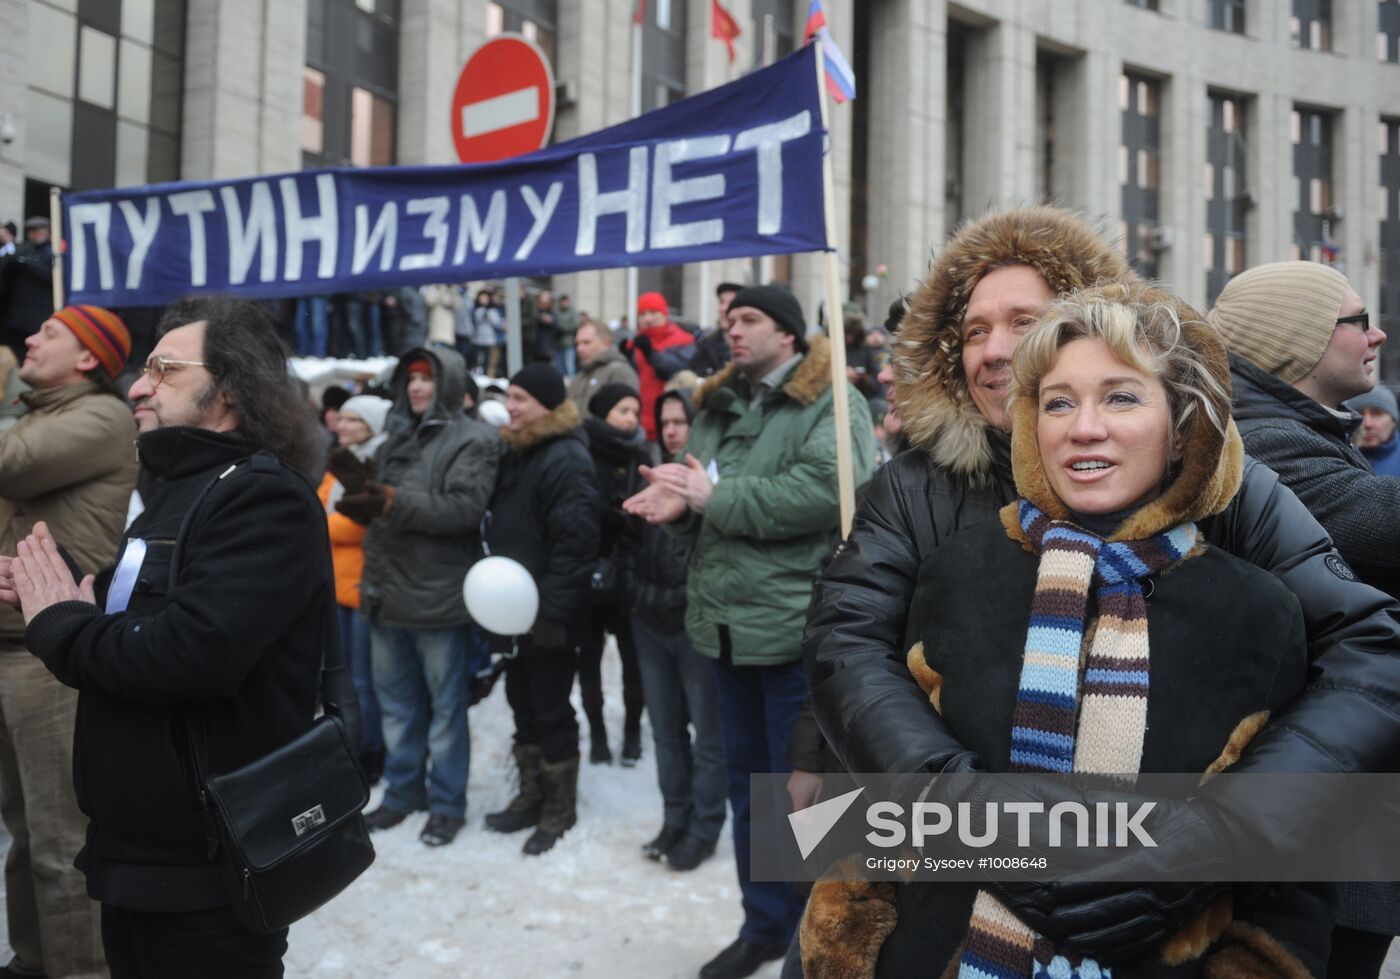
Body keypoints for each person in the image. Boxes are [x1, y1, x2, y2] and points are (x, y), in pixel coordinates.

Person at [802, 205, 1400, 962]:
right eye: (974, 329)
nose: (994, 350)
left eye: (1023, 320)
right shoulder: (911, 488)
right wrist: (959, 803)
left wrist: (1220, 834)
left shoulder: (1229, 485)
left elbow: (1368, 654)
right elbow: (844, 641)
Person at [0, 295, 326, 975]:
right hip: (141, 859)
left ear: (230, 387)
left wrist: (61, 625)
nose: (139, 385)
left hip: (203, 874)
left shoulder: (260, 495)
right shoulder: (183, 487)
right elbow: (145, 615)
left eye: (164, 370)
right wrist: (64, 590)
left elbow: (188, 655)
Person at [624, 285, 877, 979]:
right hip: (725, 627)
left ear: (789, 335)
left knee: (806, 795)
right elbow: (701, 489)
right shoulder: (717, 403)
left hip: (797, 632)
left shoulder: (831, 398)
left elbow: (833, 487)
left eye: (750, 319)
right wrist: (677, 507)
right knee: (746, 787)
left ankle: (818, 934)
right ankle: (762, 922)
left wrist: (715, 498)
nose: (731, 330)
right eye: (729, 320)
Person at [1207, 260, 1400, 971]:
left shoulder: (1294, 426)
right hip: (1325, 819)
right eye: (1354, 320)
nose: (1375, 332)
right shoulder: (1265, 442)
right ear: (1296, 342)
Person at [0, 305, 138, 978]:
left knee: (61, 841)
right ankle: (31, 962)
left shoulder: (103, 416)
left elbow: (8, 465)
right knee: (25, 839)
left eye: (49, 332)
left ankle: (81, 971)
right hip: (9, 646)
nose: (29, 337)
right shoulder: (36, 413)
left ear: (89, 357)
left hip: (47, 654)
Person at [342, 348, 499, 847]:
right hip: (386, 590)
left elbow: (462, 510)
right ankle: (404, 792)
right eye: (410, 378)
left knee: (446, 708)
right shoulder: (394, 435)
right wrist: (361, 495)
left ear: (448, 384)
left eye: (426, 378)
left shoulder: (475, 438)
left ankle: (447, 804)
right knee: (395, 705)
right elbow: (387, 511)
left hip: (437, 596)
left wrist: (389, 500)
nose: (415, 387)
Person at [482, 364, 600, 855]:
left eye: (521, 399)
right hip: (512, 612)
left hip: (549, 615)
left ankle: (558, 807)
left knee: (551, 708)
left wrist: (548, 612)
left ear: (548, 406)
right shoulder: (517, 451)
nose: (510, 406)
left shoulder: (565, 457)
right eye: (509, 397)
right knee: (522, 703)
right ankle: (530, 794)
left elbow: (576, 544)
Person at [625, 386, 726, 870]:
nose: (670, 430)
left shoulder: (712, 479)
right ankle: (673, 818)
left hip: (694, 624)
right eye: (663, 421)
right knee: (665, 731)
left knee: (707, 735)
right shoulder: (646, 469)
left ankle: (703, 828)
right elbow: (628, 539)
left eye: (679, 422)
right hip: (649, 619)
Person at [317, 394, 392, 784]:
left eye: (352, 420)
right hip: (337, 584)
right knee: (343, 677)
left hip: (362, 585)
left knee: (365, 680)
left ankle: (371, 752)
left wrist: (317, 527)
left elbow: (359, 525)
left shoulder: (376, 461)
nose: (341, 426)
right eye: (341, 419)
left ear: (372, 426)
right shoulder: (339, 461)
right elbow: (319, 507)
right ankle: (351, 747)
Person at [578, 383, 649, 765]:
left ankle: (633, 732)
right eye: (623, 410)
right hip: (589, 574)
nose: (631, 419)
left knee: (631, 661)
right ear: (603, 411)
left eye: (635, 412)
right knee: (588, 661)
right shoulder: (581, 450)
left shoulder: (641, 453)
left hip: (627, 575)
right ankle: (599, 736)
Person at [623, 292, 693, 441]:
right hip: (640, 424)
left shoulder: (683, 339)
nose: (647, 319)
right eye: (642, 314)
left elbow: (679, 368)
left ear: (664, 314)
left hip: (670, 424)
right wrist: (624, 358)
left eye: (653, 313)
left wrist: (651, 354)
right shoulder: (636, 343)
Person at [0, 218, 57, 357]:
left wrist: (26, 263)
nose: (33, 235)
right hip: (17, 314)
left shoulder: (52, 252)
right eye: (31, 231)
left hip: (38, 314)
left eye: (37, 231)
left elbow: (50, 276)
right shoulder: (22, 250)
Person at [569, 319, 640, 413]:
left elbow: (624, 418)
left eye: (586, 342)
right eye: (577, 344)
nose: (579, 349)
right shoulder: (579, 378)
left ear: (607, 343)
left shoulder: (619, 372)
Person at [687, 282, 739, 378]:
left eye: (731, 303)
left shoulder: (754, 350)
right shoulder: (705, 345)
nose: (723, 308)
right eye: (721, 302)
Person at [1348, 385, 1400, 477]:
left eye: (1377, 414)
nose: (1367, 424)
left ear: (1393, 421)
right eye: (1359, 414)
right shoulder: (1338, 455)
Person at [470, 288, 503, 376]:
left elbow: (497, 323)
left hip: (489, 338)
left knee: (487, 358)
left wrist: (488, 313)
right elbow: (476, 320)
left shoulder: (492, 311)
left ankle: (485, 373)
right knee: (477, 357)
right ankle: (477, 371)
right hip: (478, 337)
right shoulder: (476, 310)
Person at [554, 294, 580, 376]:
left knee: (569, 365)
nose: (565, 304)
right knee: (559, 366)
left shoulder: (573, 312)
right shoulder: (557, 312)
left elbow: (575, 325)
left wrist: (562, 328)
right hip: (558, 343)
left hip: (569, 343)